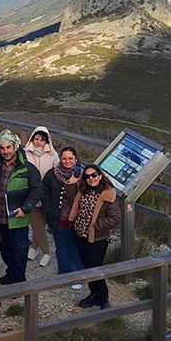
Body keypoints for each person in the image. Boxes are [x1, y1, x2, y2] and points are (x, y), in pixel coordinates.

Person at [0, 131, 42, 285]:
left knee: (19, 249)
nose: (6, 151)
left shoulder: (27, 168)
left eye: (9, 147)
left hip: (18, 217)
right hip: (0, 216)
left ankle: (19, 281)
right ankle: (11, 274)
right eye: (3, 148)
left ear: (15, 147)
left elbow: (38, 189)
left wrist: (26, 207)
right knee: (5, 248)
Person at [68, 165, 122, 309]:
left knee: (94, 269)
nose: (91, 178)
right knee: (88, 268)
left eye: (94, 175)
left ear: (100, 175)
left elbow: (115, 218)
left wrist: (96, 224)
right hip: (80, 234)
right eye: (87, 176)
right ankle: (94, 295)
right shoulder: (83, 190)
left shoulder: (108, 194)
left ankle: (103, 299)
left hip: (97, 238)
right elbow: (72, 201)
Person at [40, 147, 85, 289]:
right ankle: (63, 274)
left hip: (77, 218)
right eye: (64, 158)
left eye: (70, 158)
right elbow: (44, 191)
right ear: (60, 159)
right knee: (61, 246)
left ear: (76, 160)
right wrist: (48, 209)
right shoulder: (52, 174)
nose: (67, 161)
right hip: (58, 217)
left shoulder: (84, 175)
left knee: (75, 247)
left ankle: (77, 275)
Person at [23, 126, 58, 267]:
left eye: (42, 140)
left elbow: (56, 172)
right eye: (36, 139)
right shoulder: (25, 153)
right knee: (36, 223)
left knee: (41, 222)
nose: (38, 142)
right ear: (32, 139)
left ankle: (33, 247)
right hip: (31, 193)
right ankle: (46, 252)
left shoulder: (53, 155)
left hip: (47, 193)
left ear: (46, 141)